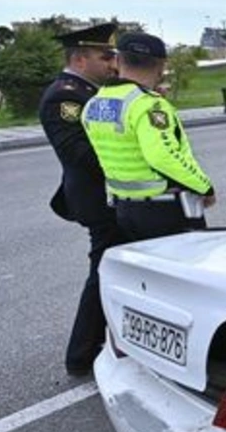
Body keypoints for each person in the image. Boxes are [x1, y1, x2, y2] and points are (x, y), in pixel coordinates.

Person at [39, 22, 122, 377]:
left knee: (114, 267)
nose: (112, 63)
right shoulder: (65, 96)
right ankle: (81, 353)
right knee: (104, 271)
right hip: (97, 199)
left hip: (111, 196)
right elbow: (79, 153)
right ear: (80, 57)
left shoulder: (91, 91)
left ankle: (107, 341)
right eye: (105, 56)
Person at [83, 32, 216, 243]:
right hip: (164, 208)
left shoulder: (95, 103)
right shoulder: (150, 105)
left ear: (118, 61)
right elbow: (162, 155)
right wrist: (204, 186)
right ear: (162, 66)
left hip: (124, 208)